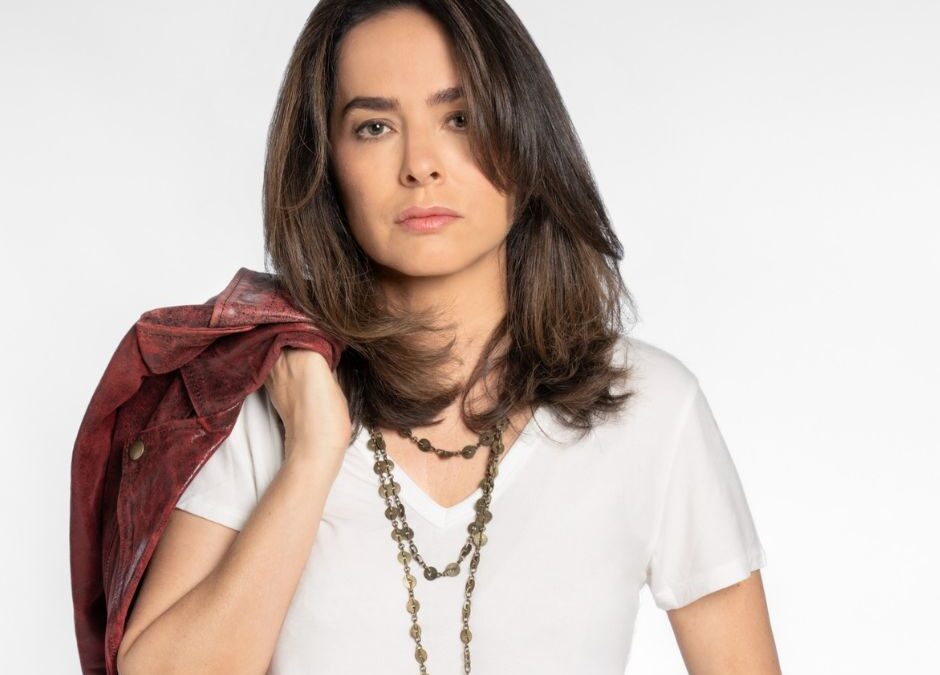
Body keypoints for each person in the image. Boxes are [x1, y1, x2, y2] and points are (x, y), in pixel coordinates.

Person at [115, 1, 781, 673]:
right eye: (375, 127)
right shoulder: (271, 398)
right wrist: (312, 455)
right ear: (326, 163)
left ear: (524, 135)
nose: (420, 165)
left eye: (459, 118)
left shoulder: (653, 409)